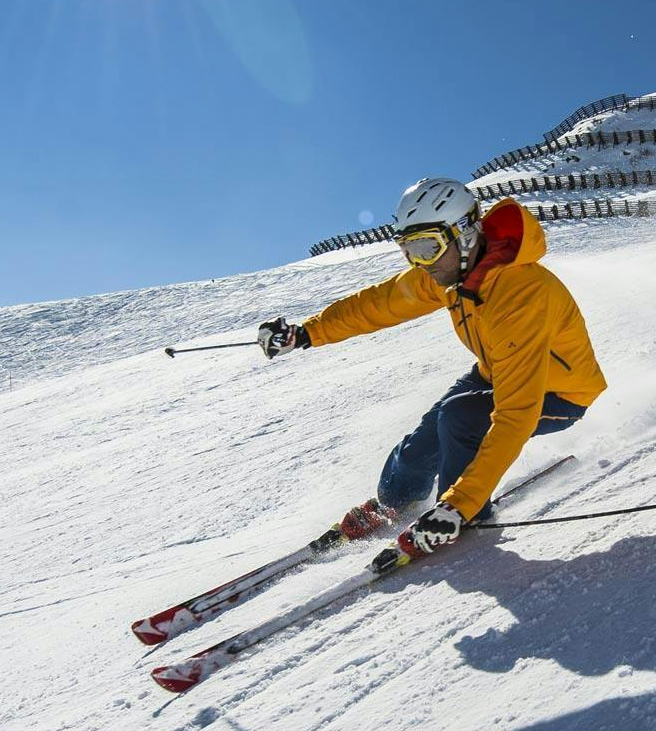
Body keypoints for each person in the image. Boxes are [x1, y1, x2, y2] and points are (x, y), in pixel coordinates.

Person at [257, 178, 607, 560]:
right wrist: (307, 333)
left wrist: (461, 504)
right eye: (408, 250)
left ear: (466, 233)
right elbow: (382, 302)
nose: (419, 263)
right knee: (421, 444)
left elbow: (515, 414)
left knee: (459, 418)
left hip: (559, 391)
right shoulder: (452, 272)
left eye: (427, 247)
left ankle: (461, 514)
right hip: (494, 371)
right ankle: (395, 502)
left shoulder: (522, 294)